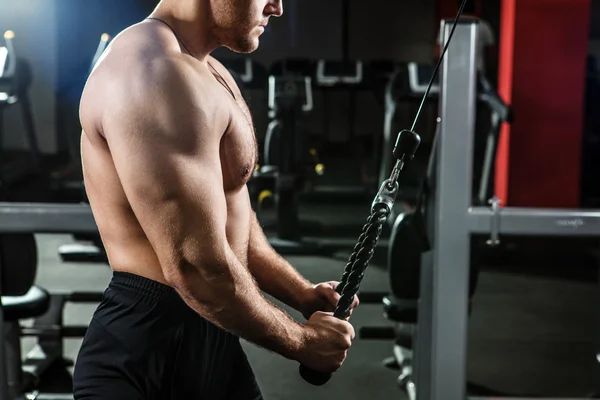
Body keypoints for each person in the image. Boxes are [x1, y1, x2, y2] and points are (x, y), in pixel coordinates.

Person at [72, 0, 358, 399]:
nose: (276, 7)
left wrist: (301, 293)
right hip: (147, 352)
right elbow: (194, 266)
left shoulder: (208, 70)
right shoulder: (152, 71)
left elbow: (227, 213)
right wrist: (304, 344)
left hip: (213, 335)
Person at [434, 0, 497, 79]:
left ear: (457, 9)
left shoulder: (447, 26)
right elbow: (492, 55)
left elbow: (437, 53)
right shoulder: (484, 27)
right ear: (475, 9)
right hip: (476, 71)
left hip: (451, 71)